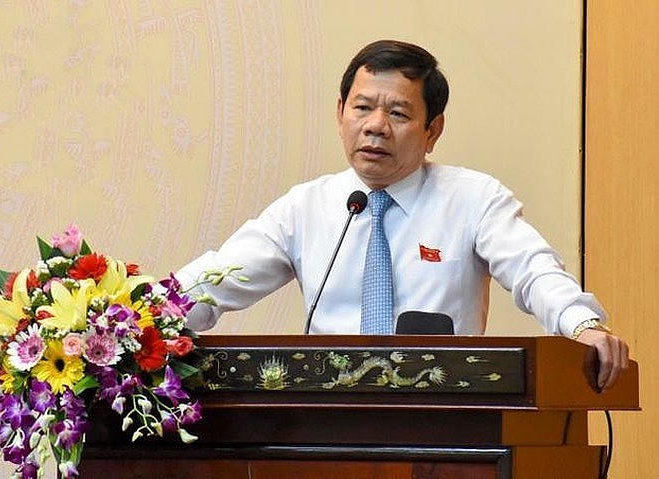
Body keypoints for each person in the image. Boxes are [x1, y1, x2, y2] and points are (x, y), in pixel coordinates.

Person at [177, 40, 629, 390]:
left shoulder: (473, 199)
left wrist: (582, 325)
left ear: (433, 130)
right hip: (325, 416)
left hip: (446, 417)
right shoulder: (306, 207)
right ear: (340, 113)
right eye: (361, 108)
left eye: (397, 113)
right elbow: (216, 280)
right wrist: (145, 321)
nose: (375, 126)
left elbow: (534, 270)